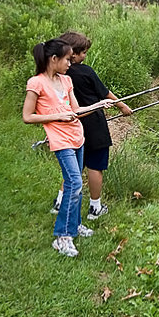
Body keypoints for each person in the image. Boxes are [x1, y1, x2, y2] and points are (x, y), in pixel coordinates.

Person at [22, 38, 114, 257]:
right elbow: (27, 116)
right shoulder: (36, 83)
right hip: (60, 141)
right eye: (66, 59)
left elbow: (77, 111)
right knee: (73, 182)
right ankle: (62, 236)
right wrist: (58, 117)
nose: (70, 63)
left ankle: (75, 225)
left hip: (77, 136)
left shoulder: (66, 81)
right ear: (54, 59)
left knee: (77, 183)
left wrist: (99, 105)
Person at [49, 30, 133, 221]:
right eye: (84, 52)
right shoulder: (86, 72)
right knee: (95, 167)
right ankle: (95, 208)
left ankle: (60, 202)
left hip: (72, 126)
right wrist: (122, 106)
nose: (85, 56)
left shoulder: (58, 75)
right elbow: (104, 93)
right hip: (94, 125)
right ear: (74, 53)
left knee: (74, 167)